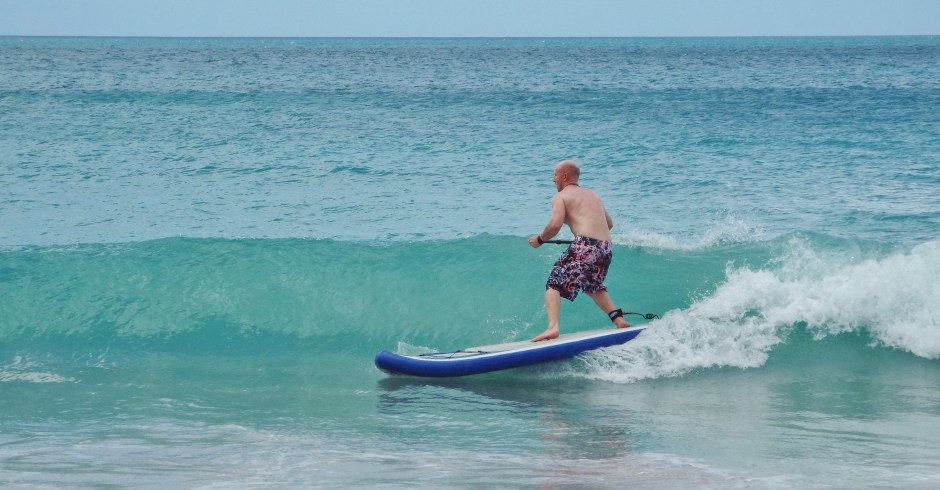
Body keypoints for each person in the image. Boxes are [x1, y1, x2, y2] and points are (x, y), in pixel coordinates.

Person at [528, 159, 631, 342]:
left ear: (564, 177)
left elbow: (555, 224)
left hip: (585, 245)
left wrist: (540, 239)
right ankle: (619, 320)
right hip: (606, 246)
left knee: (554, 284)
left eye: (555, 175)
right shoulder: (593, 195)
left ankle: (552, 328)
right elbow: (609, 224)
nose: (553, 179)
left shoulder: (561, 197)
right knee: (593, 286)